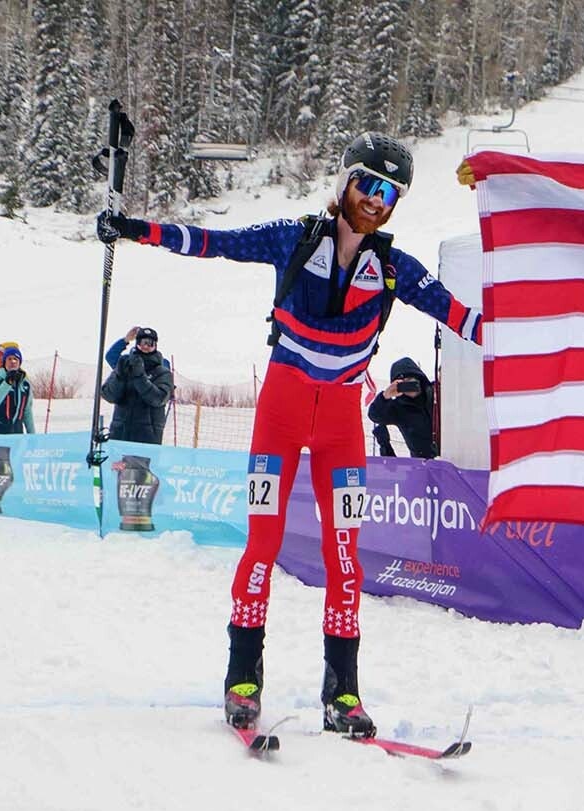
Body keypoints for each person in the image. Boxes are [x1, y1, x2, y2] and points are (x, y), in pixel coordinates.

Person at [97, 131, 481, 738]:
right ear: (344, 182)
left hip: (340, 430)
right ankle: (242, 680)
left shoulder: (393, 270)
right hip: (279, 416)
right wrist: (135, 229)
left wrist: (533, 338)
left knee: (346, 557)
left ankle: (343, 694)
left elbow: (460, 317)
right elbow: (212, 243)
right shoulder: (297, 240)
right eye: (368, 184)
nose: (376, 199)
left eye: (390, 192)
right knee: (263, 546)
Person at [100, 326, 173, 444]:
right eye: (142, 342)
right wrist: (125, 341)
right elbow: (110, 357)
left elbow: (159, 398)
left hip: (146, 441)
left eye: (150, 343)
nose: (145, 346)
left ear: (155, 345)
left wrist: (140, 376)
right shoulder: (125, 364)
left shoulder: (162, 367)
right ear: (136, 343)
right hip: (120, 437)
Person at [367, 356, 437, 459]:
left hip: (450, 458)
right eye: (402, 384)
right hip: (421, 465)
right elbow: (374, 415)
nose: (407, 385)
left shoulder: (435, 393)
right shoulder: (398, 408)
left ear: (418, 378)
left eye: (409, 380)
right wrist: (385, 396)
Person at [0, 344, 36, 435]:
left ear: (20, 362)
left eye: (15, 359)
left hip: (16, 433)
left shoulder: (25, 383)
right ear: (4, 362)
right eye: (9, 359)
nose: (13, 361)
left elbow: (27, 411)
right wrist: (7, 383)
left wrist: (32, 435)